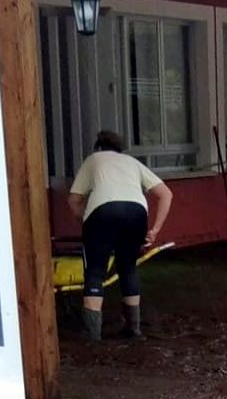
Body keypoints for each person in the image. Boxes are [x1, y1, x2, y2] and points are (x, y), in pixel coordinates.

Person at [67, 131, 172, 340]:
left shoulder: (93, 160)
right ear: (120, 149)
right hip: (136, 213)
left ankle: (92, 333)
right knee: (128, 267)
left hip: (102, 211)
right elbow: (166, 194)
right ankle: (134, 329)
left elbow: (74, 200)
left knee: (95, 271)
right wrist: (155, 230)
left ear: (98, 147)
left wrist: (86, 219)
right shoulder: (131, 162)